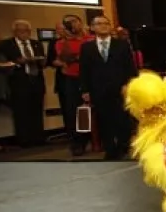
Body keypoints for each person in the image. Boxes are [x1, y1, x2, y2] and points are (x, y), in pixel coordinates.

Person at [80, 16, 140, 160]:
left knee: (122, 119)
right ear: (92, 28)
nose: (103, 26)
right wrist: (85, 90)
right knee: (104, 120)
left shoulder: (121, 44)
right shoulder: (87, 47)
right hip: (98, 89)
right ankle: (110, 149)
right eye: (99, 24)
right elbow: (84, 70)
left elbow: (130, 67)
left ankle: (123, 146)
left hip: (120, 88)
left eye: (106, 23)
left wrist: (129, 84)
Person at [0, 20, 47, 147]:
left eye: (27, 31)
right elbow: (2, 62)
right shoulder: (6, 45)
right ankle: (24, 140)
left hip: (36, 80)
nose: (24, 33)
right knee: (21, 111)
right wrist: (18, 62)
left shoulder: (36, 44)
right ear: (14, 32)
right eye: (21, 30)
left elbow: (43, 61)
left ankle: (39, 138)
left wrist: (41, 61)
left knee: (37, 109)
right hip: (19, 81)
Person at [51, 16, 90, 155]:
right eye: (69, 23)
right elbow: (65, 59)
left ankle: (93, 139)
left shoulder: (90, 39)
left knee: (91, 110)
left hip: (91, 78)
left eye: (75, 21)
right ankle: (78, 142)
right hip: (73, 79)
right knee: (76, 111)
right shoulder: (61, 43)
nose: (73, 24)